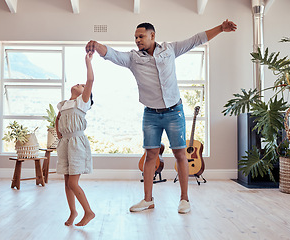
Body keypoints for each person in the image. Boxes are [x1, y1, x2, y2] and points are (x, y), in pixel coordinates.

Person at [85, 20, 237, 214]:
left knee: (180, 154)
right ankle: (148, 200)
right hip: (151, 114)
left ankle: (184, 199)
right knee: (150, 156)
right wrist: (97, 46)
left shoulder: (170, 49)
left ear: (152, 35)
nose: (137, 40)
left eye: (141, 36)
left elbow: (196, 39)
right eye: (135, 37)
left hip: (175, 111)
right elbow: (113, 55)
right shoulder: (133, 59)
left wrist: (221, 29)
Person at [55, 52, 95, 226]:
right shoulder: (64, 104)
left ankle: (88, 211)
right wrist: (58, 132)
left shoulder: (82, 102)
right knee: (66, 181)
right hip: (65, 143)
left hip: (77, 144)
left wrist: (88, 62)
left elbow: (90, 81)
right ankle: (73, 212)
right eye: (79, 83)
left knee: (73, 182)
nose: (79, 84)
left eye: (81, 85)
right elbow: (58, 118)